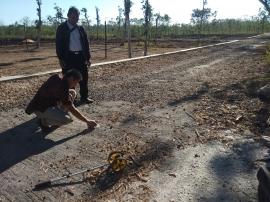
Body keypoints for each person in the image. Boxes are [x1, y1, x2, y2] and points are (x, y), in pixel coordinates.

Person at [25, 69, 97, 132]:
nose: (76, 85)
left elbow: (59, 93)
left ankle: (58, 114)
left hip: (44, 103)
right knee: (68, 119)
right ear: (71, 78)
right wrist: (87, 121)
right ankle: (43, 121)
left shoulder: (58, 77)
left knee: (72, 92)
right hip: (41, 109)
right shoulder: (62, 87)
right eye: (76, 82)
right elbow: (71, 108)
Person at [56, 6, 93, 104]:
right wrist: (60, 58)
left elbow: (86, 43)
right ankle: (71, 99)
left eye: (77, 17)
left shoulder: (80, 28)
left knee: (84, 78)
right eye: (73, 17)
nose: (75, 19)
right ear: (68, 16)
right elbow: (58, 44)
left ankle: (84, 97)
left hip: (81, 57)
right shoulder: (62, 28)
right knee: (69, 80)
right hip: (68, 58)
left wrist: (88, 57)